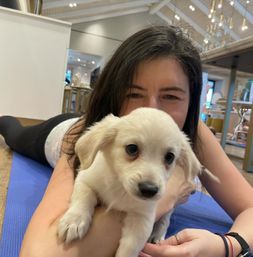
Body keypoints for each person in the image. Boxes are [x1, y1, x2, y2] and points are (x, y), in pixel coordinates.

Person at [0, 25, 252, 257]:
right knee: (14, 132)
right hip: (62, 131)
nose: (153, 110)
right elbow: (41, 252)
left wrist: (227, 245)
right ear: (115, 92)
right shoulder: (86, 135)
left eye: (172, 96)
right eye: (133, 93)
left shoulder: (188, 133)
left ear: (191, 100)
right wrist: (166, 197)